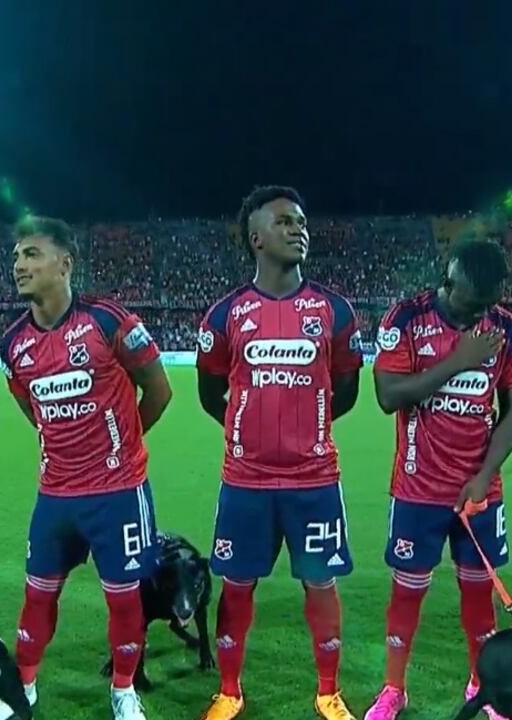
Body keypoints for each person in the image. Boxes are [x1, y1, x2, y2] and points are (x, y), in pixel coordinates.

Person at [196, 186, 364, 720]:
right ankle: (229, 691)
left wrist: (304, 427)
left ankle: (328, 692)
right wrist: (247, 432)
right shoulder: (225, 315)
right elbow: (210, 393)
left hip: (314, 481)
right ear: (256, 238)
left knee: (321, 582)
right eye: (285, 222)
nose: (298, 230)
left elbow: (346, 390)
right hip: (245, 482)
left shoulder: (334, 311)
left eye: (301, 221)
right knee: (237, 585)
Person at [0, 216, 173, 720]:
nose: (19, 265)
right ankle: (24, 687)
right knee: (37, 595)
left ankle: (123, 690)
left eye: (32, 254)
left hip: (117, 493)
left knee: (124, 600)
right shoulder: (12, 344)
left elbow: (159, 392)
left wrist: (120, 448)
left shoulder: (108, 321)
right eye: (16, 256)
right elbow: (33, 409)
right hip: (55, 495)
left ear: (65, 264)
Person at [363, 238, 512, 720]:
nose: (478, 315)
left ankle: (482, 685)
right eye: (470, 304)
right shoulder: (405, 320)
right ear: (448, 281)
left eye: (486, 306)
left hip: (480, 494)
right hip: (418, 490)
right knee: (407, 593)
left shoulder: (506, 330)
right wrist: (459, 361)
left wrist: (485, 476)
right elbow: (389, 396)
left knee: (479, 596)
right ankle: (394, 690)